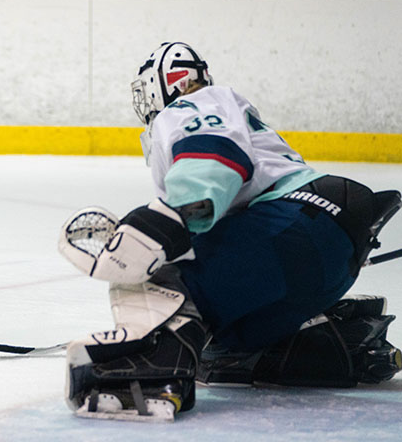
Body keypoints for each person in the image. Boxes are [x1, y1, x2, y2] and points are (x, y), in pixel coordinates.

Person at [59, 42, 401, 421]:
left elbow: (214, 155)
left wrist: (163, 222)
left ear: (167, 83)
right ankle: (324, 343)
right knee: (218, 343)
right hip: (320, 248)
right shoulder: (217, 108)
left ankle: (153, 370)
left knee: (158, 277)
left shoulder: (190, 104)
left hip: (296, 223)